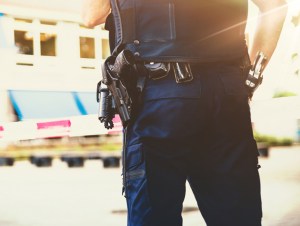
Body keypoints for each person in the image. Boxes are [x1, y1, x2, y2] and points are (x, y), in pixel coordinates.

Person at [82, 0, 287, 225]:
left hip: (158, 95)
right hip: (226, 92)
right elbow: (274, 6)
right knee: (237, 216)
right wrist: (251, 76)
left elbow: (91, 15)